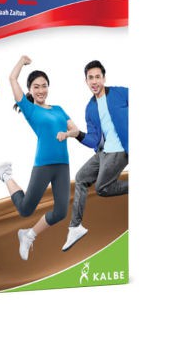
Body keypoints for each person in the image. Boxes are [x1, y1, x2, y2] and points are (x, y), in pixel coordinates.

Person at [0, 55, 77, 260]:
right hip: (43, 164)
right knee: (25, 210)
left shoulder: (59, 109)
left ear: (48, 87)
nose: (41, 90)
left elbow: (75, 130)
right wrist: (21, 61)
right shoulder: (30, 109)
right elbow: (12, 79)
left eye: (44, 86)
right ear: (30, 90)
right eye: (36, 87)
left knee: (61, 212)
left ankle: (28, 235)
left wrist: (67, 134)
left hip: (63, 165)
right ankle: (5, 175)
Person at [61, 60, 128, 251]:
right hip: (103, 151)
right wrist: (77, 134)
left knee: (102, 188)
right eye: (90, 78)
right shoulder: (90, 108)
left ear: (104, 78)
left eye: (98, 77)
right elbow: (92, 140)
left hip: (119, 150)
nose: (94, 81)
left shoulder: (121, 93)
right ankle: (75, 227)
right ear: (86, 81)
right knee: (81, 178)